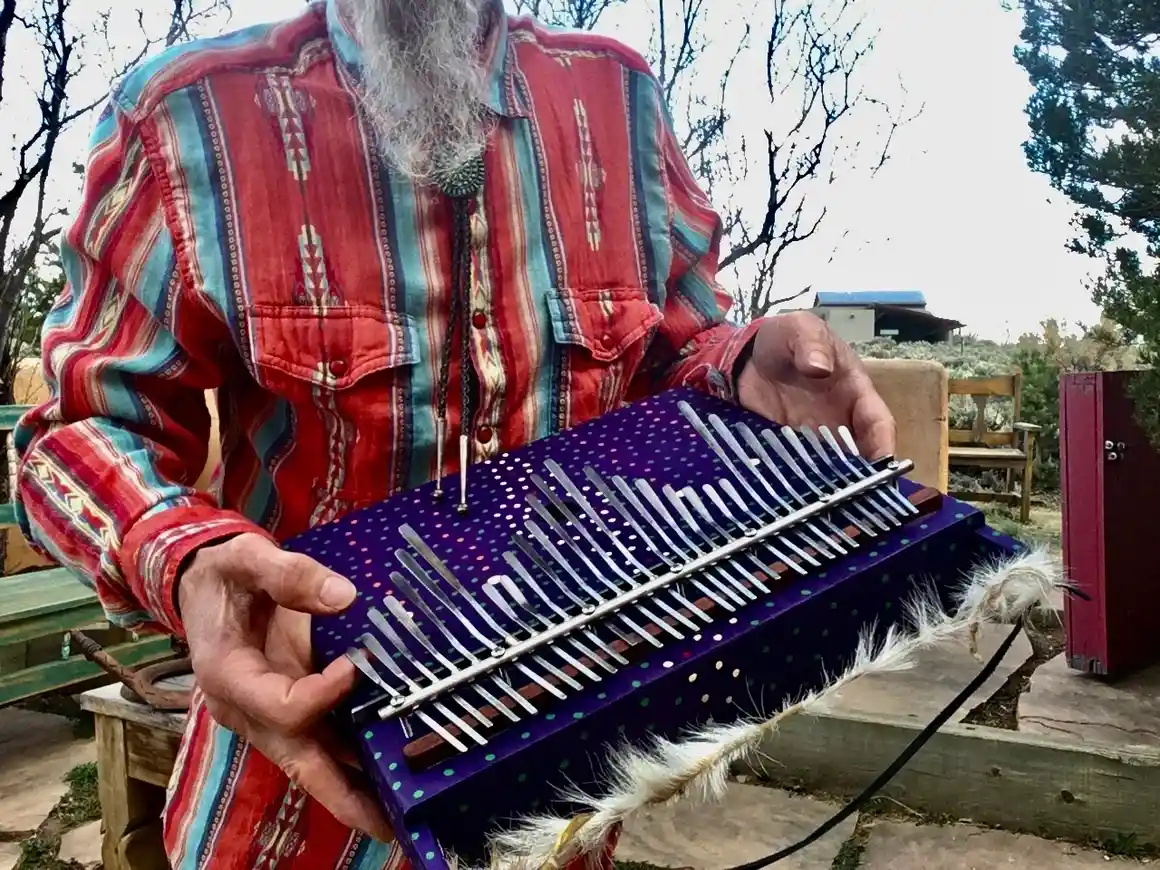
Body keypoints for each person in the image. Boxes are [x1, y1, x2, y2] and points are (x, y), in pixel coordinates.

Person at [12, 0, 896, 867]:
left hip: (566, 782)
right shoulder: (188, 116)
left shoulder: (620, 104)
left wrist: (738, 370)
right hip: (297, 807)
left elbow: (667, 358)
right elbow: (75, 430)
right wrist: (190, 557)